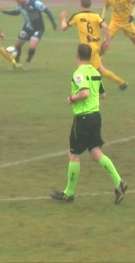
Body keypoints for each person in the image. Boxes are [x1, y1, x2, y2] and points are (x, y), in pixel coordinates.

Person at [50, 43, 127, 204]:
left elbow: (84, 93)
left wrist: (72, 99)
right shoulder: (95, 72)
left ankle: (69, 193)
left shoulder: (79, 73)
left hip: (83, 119)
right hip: (96, 117)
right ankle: (119, 182)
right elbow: (102, 95)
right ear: (90, 56)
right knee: (95, 152)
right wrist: (91, 102)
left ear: (77, 55)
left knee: (74, 154)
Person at [61, 0, 128, 90]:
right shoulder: (96, 16)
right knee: (94, 67)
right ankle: (121, 83)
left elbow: (63, 28)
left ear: (80, 4)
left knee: (95, 69)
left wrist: (63, 18)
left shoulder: (77, 16)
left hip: (86, 49)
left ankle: (85, 88)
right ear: (90, 5)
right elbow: (105, 26)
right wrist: (107, 41)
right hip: (95, 46)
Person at [0, 0, 58, 66]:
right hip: (27, 28)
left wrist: (54, 24)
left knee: (31, 46)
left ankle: (28, 62)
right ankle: (16, 63)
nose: (17, 3)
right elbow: (16, 13)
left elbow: (48, 11)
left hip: (38, 29)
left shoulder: (35, 3)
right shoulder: (21, 6)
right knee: (17, 46)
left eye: (17, 1)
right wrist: (4, 11)